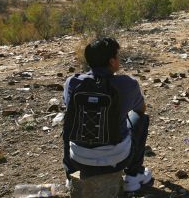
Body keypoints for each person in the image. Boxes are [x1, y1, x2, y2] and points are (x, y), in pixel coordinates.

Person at [62, 37, 152, 192]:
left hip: (78, 160)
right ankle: (133, 176)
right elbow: (140, 109)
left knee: (68, 120)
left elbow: (68, 106)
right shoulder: (127, 84)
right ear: (111, 61)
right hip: (118, 159)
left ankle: (70, 176)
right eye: (118, 56)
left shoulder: (73, 82)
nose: (119, 59)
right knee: (141, 119)